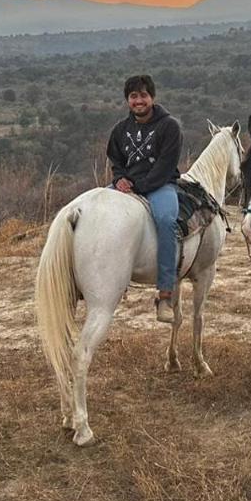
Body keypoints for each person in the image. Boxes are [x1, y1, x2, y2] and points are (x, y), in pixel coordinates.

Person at [106, 74, 183, 323]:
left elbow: (164, 166)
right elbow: (116, 160)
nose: (139, 101)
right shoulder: (120, 130)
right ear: (128, 100)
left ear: (153, 97)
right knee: (97, 214)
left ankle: (165, 294)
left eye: (143, 95)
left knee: (166, 220)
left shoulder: (169, 126)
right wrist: (119, 179)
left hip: (160, 186)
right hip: (127, 186)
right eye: (133, 96)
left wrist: (138, 186)